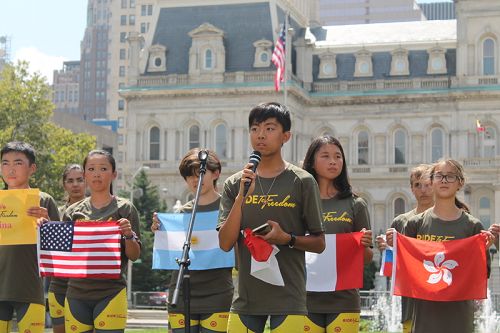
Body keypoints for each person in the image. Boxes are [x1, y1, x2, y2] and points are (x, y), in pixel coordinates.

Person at [218, 102, 325, 333]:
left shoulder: (302, 181)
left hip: (289, 299)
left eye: (269, 128)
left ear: (286, 136)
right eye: (255, 129)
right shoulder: (235, 183)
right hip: (246, 301)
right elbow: (225, 243)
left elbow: (319, 243)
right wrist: (241, 198)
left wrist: (287, 238)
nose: (260, 135)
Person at [387, 158, 492, 333]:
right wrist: (396, 247)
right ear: (432, 181)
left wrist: (483, 250)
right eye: (439, 176)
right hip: (423, 318)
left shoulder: (473, 226)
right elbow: (405, 272)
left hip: (460, 318)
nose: (444, 180)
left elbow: (483, 275)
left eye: (450, 176)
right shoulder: (414, 224)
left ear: (460, 183)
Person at [151, 148, 233, 333]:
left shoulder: (228, 209)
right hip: (181, 293)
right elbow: (172, 256)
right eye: (189, 176)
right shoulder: (180, 213)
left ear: (216, 173)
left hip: (217, 293)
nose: (195, 180)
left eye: (200, 173)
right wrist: (160, 231)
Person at [60, 150, 141, 333]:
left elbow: (135, 255)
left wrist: (128, 235)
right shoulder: (72, 212)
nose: (97, 173)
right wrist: (44, 227)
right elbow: (62, 253)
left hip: (111, 293)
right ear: (85, 174)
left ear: (114, 174)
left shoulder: (125, 208)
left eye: (103, 168)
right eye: (91, 169)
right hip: (76, 294)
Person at [301, 135, 373, 333]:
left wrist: (363, 245)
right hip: (304, 299)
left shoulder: (356, 204)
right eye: (325, 156)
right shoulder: (299, 202)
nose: (333, 161)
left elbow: (366, 258)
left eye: (338, 156)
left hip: (344, 300)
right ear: (312, 163)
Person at [0, 141, 60, 333]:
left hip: (30, 288)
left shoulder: (44, 200)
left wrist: (48, 223)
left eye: (18, 163)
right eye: (5, 163)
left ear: (32, 168)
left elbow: (59, 249)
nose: (10, 169)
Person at [376, 164, 433, 333]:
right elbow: (396, 264)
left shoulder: (447, 218)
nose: (423, 190)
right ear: (412, 189)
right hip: (411, 302)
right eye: (418, 185)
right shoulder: (400, 222)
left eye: (428, 185)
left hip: (441, 299)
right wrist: (387, 249)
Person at [47, 164, 86, 333]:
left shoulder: (99, 212)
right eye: (70, 181)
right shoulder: (55, 213)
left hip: (86, 286)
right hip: (59, 285)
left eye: (79, 180)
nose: (75, 184)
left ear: (87, 182)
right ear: (64, 185)